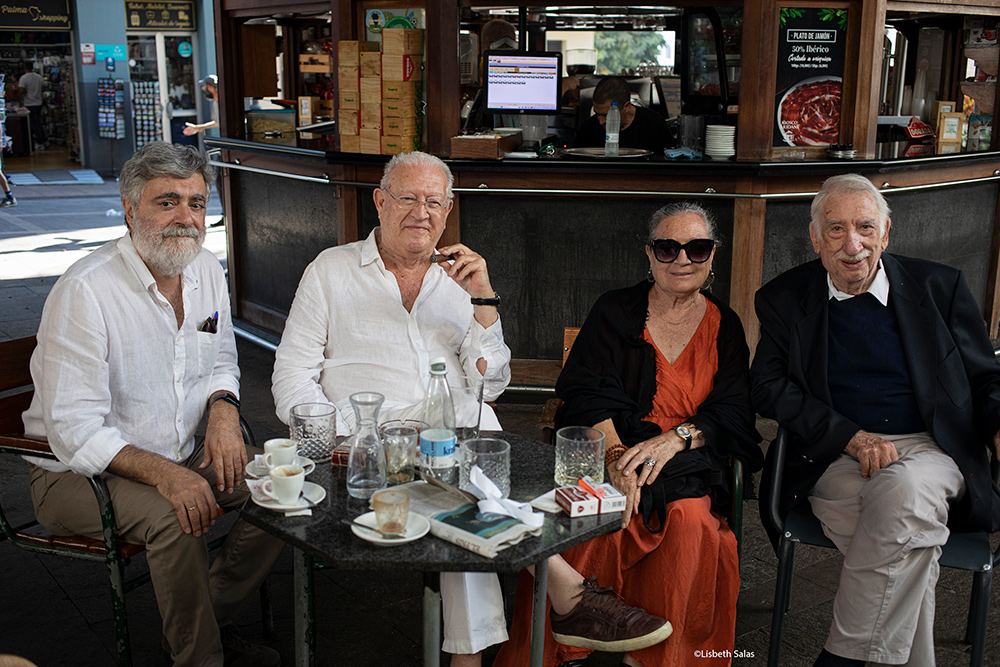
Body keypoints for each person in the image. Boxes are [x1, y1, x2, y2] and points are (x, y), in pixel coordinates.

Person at [272, 151, 671, 666]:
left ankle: (483, 650)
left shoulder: (458, 281)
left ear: (448, 209)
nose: (421, 212)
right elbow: (290, 380)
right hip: (367, 447)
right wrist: (360, 434)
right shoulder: (331, 270)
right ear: (379, 201)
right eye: (408, 198)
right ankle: (566, 598)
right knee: (471, 487)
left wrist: (483, 302)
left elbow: (493, 382)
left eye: (433, 202)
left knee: (466, 465)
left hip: (454, 441)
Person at [21, 142, 284, 667]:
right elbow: (73, 429)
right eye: (167, 202)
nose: (186, 218)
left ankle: (208, 615)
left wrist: (224, 411)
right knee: (176, 514)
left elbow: (220, 357)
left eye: (196, 202)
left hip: (180, 452)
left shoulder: (205, 269)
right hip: (76, 473)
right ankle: (199, 657)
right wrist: (166, 474)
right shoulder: (87, 291)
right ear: (128, 209)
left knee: (284, 486)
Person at [494, 202, 764, 667]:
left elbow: (735, 411)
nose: (682, 259)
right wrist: (620, 457)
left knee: (691, 524)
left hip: (687, 463)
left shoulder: (726, 325)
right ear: (649, 254)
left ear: (712, 256)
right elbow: (583, 392)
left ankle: (662, 656)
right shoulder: (615, 310)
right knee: (587, 520)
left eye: (696, 248)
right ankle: (567, 645)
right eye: (668, 247)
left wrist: (676, 438)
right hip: (610, 451)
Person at [751, 173, 1000, 667]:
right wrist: (851, 436)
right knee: (912, 539)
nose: (853, 245)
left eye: (865, 228)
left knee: (906, 492)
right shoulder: (784, 297)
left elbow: (986, 378)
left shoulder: (939, 287)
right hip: (834, 455)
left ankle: (840, 658)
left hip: (931, 449)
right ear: (815, 236)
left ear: (886, 234)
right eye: (836, 229)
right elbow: (767, 387)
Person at [573, 76, 673, 153]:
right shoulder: (589, 129)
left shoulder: (654, 125)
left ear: (627, 106)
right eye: (597, 114)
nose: (600, 121)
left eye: (606, 115)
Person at [18, 62, 46, 150]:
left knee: (33, 124)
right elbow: (43, 88)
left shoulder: (23, 78)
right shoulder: (38, 77)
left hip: (29, 103)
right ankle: (43, 140)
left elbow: (21, 91)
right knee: (38, 122)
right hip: (38, 103)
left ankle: (40, 142)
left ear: (25, 68)